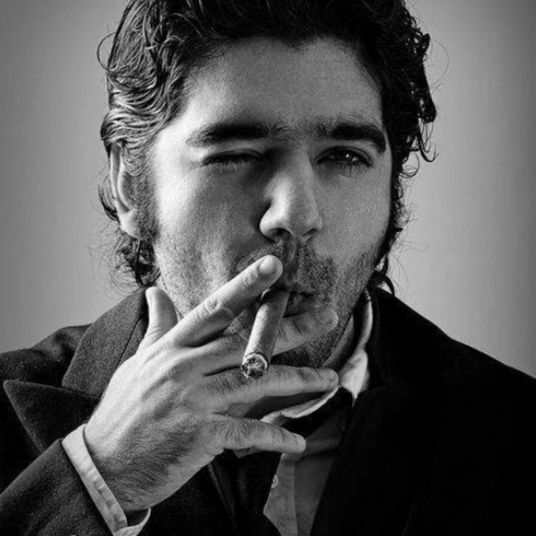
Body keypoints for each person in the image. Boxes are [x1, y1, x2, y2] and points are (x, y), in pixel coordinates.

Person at [0, 0, 534, 534]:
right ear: (129, 188)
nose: (296, 215)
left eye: (344, 156)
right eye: (236, 154)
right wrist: (101, 478)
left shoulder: (515, 428)